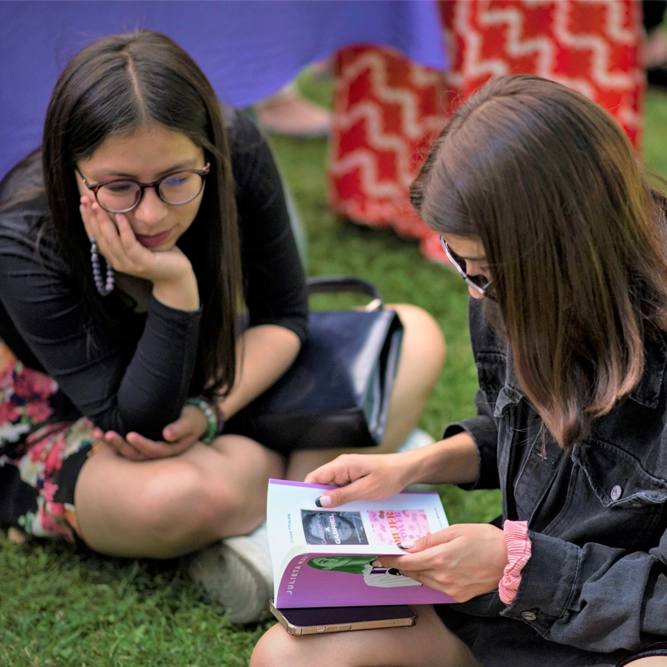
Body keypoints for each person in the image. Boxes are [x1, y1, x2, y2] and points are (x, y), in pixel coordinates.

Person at [0, 30, 446, 624]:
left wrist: (211, 411)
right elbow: (136, 421)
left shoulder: (236, 148)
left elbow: (284, 316)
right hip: (80, 414)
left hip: (210, 368)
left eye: (177, 179)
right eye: (119, 188)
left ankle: (271, 533)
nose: (153, 213)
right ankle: (320, 484)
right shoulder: (22, 237)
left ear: (208, 151)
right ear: (72, 170)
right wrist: (175, 288)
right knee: (188, 495)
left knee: (412, 337)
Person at [251, 74, 667, 666]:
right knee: (285, 658)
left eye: (486, 269)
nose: (477, 293)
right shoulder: (505, 295)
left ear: (569, 251)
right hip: (513, 612)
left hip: (626, 636)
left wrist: (517, 564)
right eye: (461, 260)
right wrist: (413, 466)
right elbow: (520, 434)